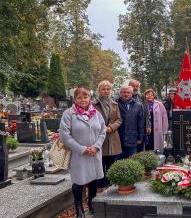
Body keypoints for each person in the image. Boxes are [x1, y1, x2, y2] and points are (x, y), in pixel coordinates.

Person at [59, 88, 106, 217]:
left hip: (94, 153)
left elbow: (103, 131)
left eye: (85, 97)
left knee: (93, 179)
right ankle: (79, 207)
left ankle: (91, 202)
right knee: (78, 181)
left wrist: (96, 147)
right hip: (78, 154)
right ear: (75, 99)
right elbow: (65, 136)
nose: (83, 100)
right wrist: (82, 149)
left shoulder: (96, 113)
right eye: (79, 98)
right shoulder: (68, 114)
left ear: (89, 98)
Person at [93, 80, 122, 188]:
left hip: (112, 136)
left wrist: (111, 127)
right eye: (103, 89)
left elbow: (119, 120)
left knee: (111, 162)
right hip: (99, 137)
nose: (106, 91)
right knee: (100, 162)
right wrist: (102, 128)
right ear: (99, 90)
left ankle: (110, 186)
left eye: (108, 89)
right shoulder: (93, 104)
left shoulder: (114, 104)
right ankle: (100, 186)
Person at [116, 86, 144, 158]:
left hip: (133, 138)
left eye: (128, 93)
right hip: (118, 139)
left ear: (132, 94)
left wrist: (140, 138)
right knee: (119, 162)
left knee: (132, 160)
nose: (126, 94)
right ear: (120, 93)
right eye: (124, 92)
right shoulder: (115, 104)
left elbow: (140, 123)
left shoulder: (138, 106)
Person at [129, 79, 151, 152]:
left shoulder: (142, 96)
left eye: (137, 86)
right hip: (130, 128)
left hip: (141, 127)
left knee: (140, 149)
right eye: (133, 86)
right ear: (129, 86)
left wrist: (148, 125)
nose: (135, 88)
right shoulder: (126, 96)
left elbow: (147, 112)